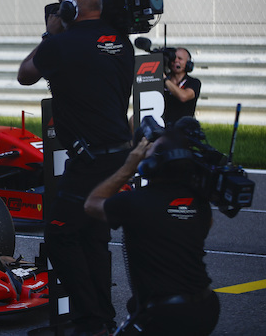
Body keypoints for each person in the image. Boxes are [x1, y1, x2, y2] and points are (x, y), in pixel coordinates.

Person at [17, 0, 135, 336]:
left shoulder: (61, 44)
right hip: (119, 156)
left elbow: (25, 74)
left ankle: (92, 318)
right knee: (93, 239)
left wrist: (50, 33)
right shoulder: (122, 43)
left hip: (90, 161)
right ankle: (99, 321)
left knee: (59, 236)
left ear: (69, 8)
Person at [84, 118, 220, 336]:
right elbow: (205, 225)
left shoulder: (134, 203)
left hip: (166, 315)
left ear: (153, 164)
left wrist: (128, 167)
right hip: (206, 307)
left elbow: (92, 204)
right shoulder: (200, 206)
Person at [164, 47, 201, 126]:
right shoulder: (161, 80)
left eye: (180, 59)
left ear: (188, 64)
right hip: (163, 123)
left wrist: (165, 80)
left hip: (183, 127)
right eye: (173, 58)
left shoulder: (194, 82)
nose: (176, 61)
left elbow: (183, 96)